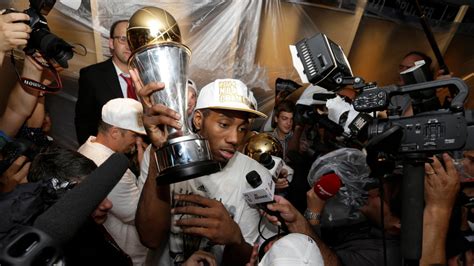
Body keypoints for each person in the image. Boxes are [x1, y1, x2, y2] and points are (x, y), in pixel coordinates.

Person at [133, 76, 281, 265]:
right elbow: (150, 238)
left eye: (242, 128)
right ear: (198, 120)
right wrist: (159, 152)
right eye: (224, 124)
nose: (235, 139)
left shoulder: (253, 173)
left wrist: (234, 238)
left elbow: (246, 257)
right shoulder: (162, 153)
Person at [77, 98, 148, 265]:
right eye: (134, 135)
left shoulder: (88, 146)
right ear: (115, 132)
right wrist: (146, 169)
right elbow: (142, 215)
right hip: (132, 258)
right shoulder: (108, 168)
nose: (138, 141)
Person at [74, 19, 135, 145]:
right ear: (111, 43)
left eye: (133, 39)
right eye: (123, 39)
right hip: (107, 156)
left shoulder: (147, 75)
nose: (129, 45)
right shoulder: (92, 76)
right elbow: (83, 123)